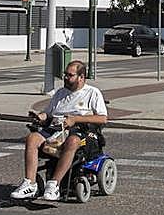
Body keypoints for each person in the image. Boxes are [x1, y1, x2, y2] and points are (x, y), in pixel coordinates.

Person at [10, 59, 107, 201]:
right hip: (56, 127)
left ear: (81, 77)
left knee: (73, 141)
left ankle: (54, 185)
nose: (65, 78)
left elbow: (103, 118)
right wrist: (40, 116)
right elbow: (49, 113)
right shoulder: (60, 93)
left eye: (70, 75)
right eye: (65, 74)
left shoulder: (92, 93)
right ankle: (30, 184)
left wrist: (75, 119)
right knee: (32, 138)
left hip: (81, 129)